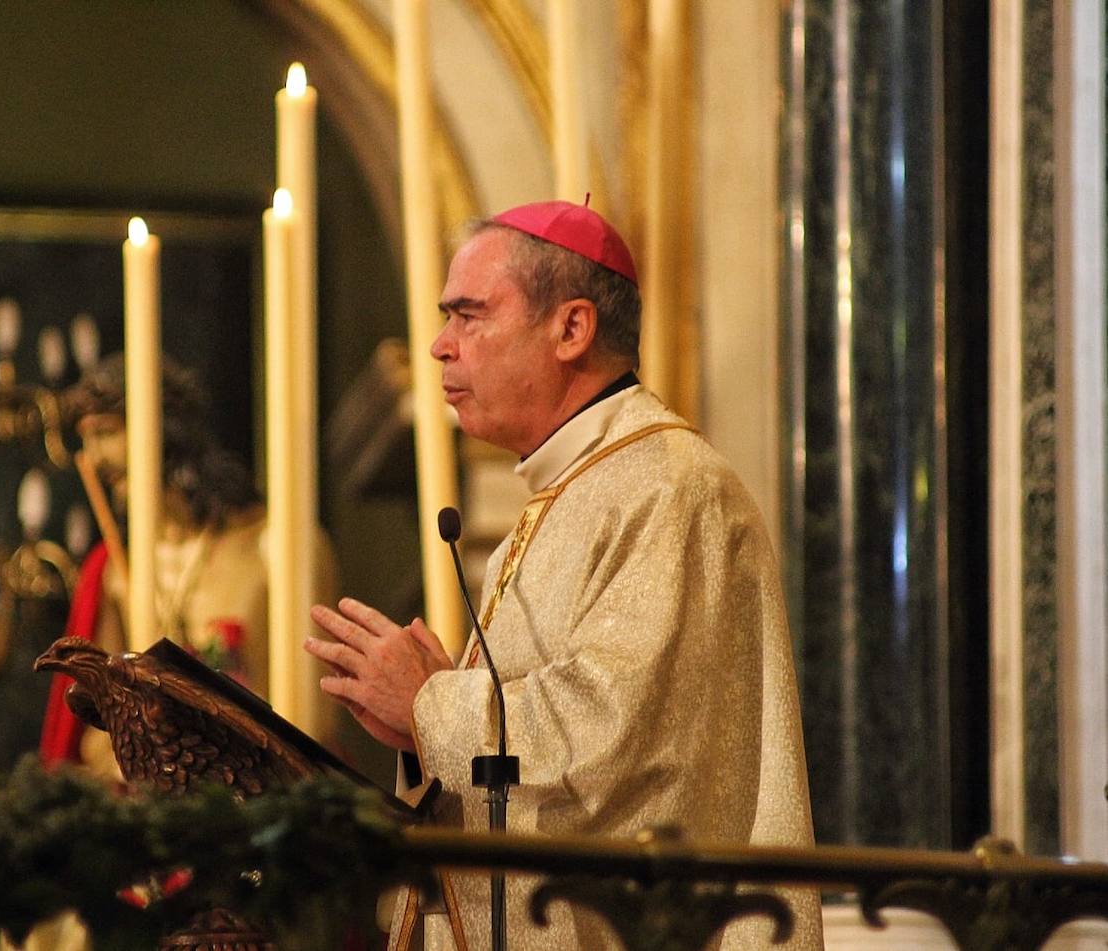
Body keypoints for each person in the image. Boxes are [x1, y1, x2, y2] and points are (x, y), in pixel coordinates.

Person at [305, 200, 822, 950]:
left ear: (571, 329)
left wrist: (435, 702)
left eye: (469, 315)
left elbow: (611, 742)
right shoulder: (563, 494)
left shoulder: (671, 491)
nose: (439, 346)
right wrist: (421, 732)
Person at [40, 353, 337, 777]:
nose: (94, 459)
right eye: (85, 439)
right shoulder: (116, 571)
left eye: (106, 433)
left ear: (164, 428)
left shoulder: (276, 549)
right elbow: (97, 725)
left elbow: (312, 719)